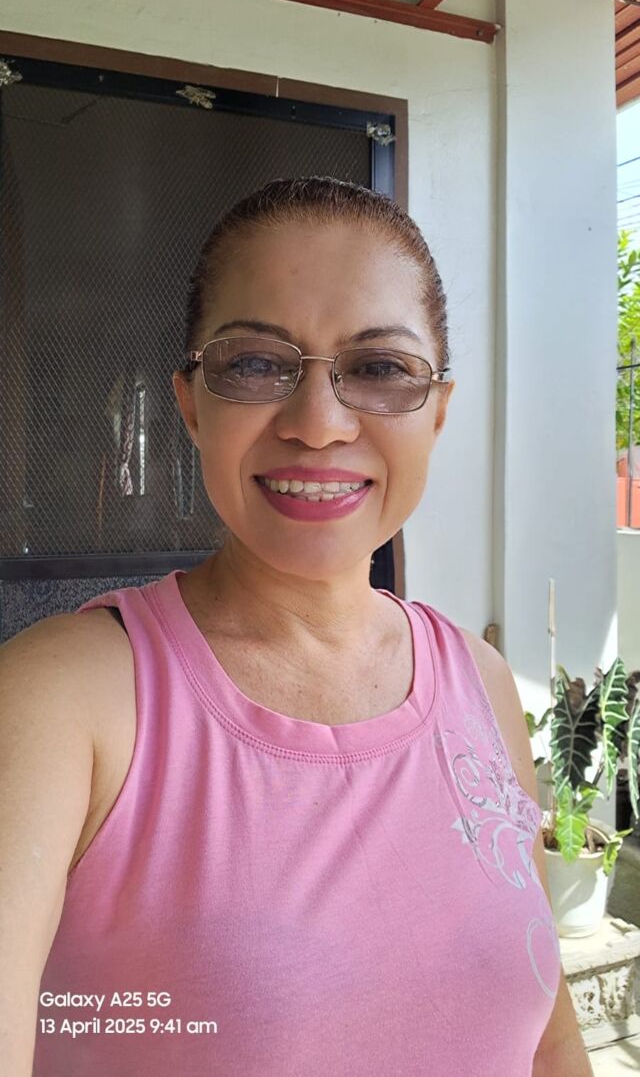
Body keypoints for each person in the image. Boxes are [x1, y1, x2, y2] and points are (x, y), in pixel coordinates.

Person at [0, 176, 592, 1077]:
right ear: (191, 404)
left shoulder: (480, 680)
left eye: (380, 368)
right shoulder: (62, 702)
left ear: (438, 410)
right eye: (254, 364)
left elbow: (550, 1041)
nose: (318, 425)